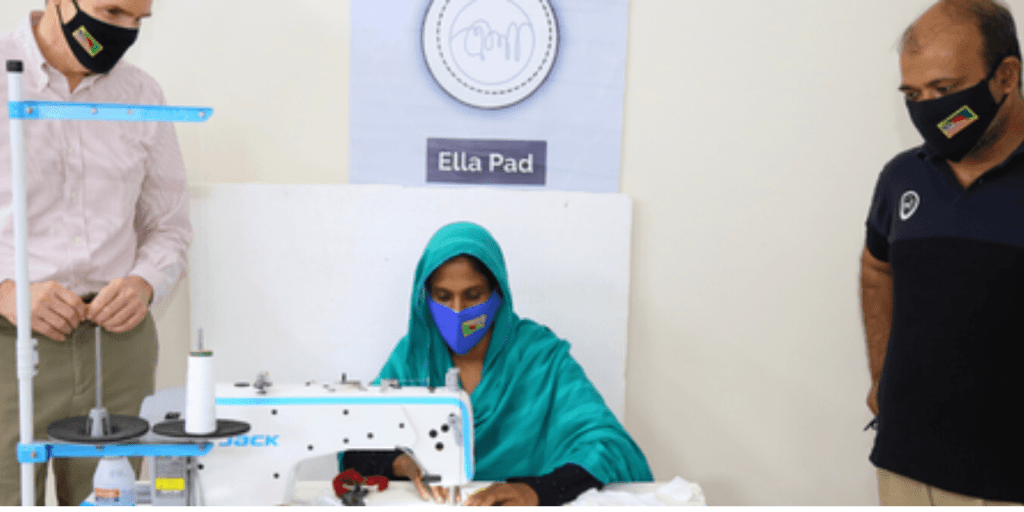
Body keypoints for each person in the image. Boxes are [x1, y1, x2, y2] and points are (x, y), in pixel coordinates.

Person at [0, 0, 190, 505]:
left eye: (138, 20)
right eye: (112, 12)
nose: (125, 31)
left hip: (117, 344)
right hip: (7, 340)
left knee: (113, 498)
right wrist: (7, 291)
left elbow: (170, 226)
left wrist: (145, 282)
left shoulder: (142, 95)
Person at [339, 222, 652, 506]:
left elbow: (608, 445)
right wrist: (404, 464)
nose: (458, 311)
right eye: (443, 296)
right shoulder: (414, 358)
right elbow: (356, 443)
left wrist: (536, 491)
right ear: (425, 298)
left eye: (473, 295)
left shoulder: (539, 356)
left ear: (498, 292)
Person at [861, 0, 1024, 505]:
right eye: (913, 94)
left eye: (944, 90)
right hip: (908, 467)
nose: (929, 110)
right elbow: (876, 269)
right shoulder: (903, 177)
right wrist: (881, 377)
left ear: (1006, 76)